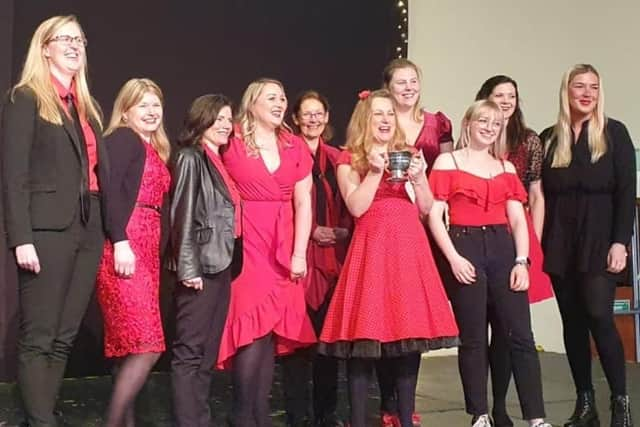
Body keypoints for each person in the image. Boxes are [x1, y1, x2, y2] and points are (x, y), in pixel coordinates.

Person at [318, 89, 459, 427]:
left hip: (409, 248)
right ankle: (358, 420)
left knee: (409, 338)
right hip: (373, 249)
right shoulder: (349, 157)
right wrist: (375, 172)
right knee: (364, 338)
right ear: (365, 119)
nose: (385, 120)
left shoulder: (407, 153)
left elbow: (427, 208)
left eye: (390, 114)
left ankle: (405, 419)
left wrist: (420, 177)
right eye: (378, 113)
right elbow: (356, 207)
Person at [1, 15, 108, 427]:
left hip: (86, 229)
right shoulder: (26, 97)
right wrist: (20, 237)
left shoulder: (85, 108)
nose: (74, 44)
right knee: (39, 337)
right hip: (45, 230)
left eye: (79, 38)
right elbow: (14, 175)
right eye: (64, 38)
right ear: (43, 47)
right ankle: (42, 422)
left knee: (64, 337)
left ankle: (41, 418)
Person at [428, 100, 551, 427]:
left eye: (495, 124)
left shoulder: (506, 168)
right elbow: (435, 216)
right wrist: (453, 257)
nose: (488, 127)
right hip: (464, 245)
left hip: (502, 247)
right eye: (483, 120)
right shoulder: (447, 161)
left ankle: (536, 417)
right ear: (468, 122)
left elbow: (518, 220)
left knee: (521, 334)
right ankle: (479, 413)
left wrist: (522, 261)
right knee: (473, 337)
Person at [216, 78, 316, 426]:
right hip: (248, 244)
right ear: (252, 102)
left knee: (270, 331)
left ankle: (258, 415)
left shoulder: (294, 145)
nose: (279, 103)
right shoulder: (233, 140)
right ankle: (242, 414)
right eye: (271, 97)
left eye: (283, 97)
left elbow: (304, 202)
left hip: (285, 245)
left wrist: (300, 252)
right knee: (249, 328)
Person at [540, 64, 635, 427]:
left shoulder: (615, 134)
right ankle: (585, 402)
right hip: (561, 242)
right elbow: (540, 196)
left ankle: (620, 402)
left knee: (599, 315)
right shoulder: (551, 138)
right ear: (566, 91)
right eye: (579, 86)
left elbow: (626, 194)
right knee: (573, 322)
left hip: (600, 240)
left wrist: (619, 242)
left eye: (593, 87)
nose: (586, 93)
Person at [377, 55, 455, 427]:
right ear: (388, 89)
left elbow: (448, 170)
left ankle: (406, 403)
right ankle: (388, 402)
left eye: (413, 81)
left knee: (415, 316)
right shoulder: (378, 122)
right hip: (386, 222)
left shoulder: (438, 123)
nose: (408, 88)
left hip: (425, 222)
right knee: (383, 313)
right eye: (401, 83)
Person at [475, 75, 554, 427]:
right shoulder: (479, 136)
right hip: (482, 232)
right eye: (498, 95)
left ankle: (504, 405)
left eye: (511, 95)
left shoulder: (529, 141)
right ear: (485, 99)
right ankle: (487, 409)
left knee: (513, 328)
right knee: (485, 324)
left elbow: (536, 195)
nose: (506, 101)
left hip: (518, 235)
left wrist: (529, 244)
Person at [96, 78, 171, 427]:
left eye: (156, 105)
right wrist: (120, 240)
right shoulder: (124, 139)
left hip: (147, 250)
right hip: (125, 248)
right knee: (147, 346)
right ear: (125, 111)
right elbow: (109, 192)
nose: (152, 111)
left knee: (132, 348)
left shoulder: (152, 148)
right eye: (144, 105)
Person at [166, 94, 241, 427]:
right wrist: (188, 267)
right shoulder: (190, 158)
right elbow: (180, 216)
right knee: (189, 353)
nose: (226, 124)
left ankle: (200, 419)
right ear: (202, 120)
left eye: (229, 119)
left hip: (221, 265)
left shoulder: (218, 159)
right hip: (199, 267)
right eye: (219, 118)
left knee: (207, 354)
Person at [280, 90, 350, 427]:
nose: (313, 119)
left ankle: (326, 412)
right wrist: (310, 232)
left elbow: (352, 204)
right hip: (297, 255)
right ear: (295, 119)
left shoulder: (338, 158)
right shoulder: (286, 153)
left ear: (326, 117)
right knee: (295, 340)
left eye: (318, 113)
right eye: (306, 114)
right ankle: (296, 414)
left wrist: (339, 233)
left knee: (329, 341)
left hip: (335, 256)